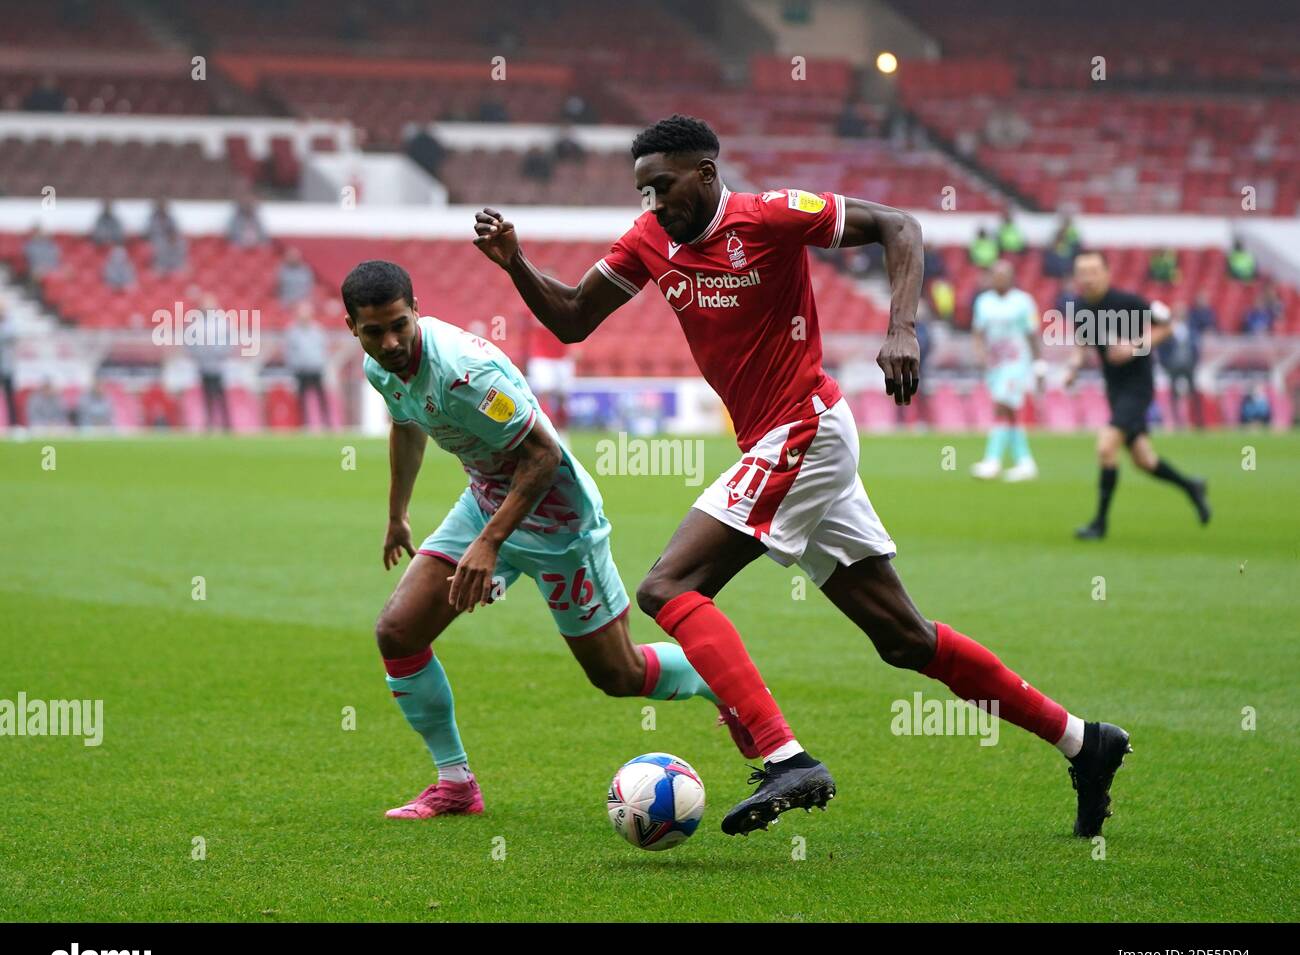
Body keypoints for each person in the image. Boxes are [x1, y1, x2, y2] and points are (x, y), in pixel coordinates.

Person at [474, 114, 1132, 839]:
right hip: (780, 440)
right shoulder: (649, 241)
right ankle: (1084, 740)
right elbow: (570, 317)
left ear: (705, 172)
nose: (653, 204)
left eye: (663, 186)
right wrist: (515, 262)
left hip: (806, 428)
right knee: (904, 638)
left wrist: (903, 326)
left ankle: (785, 755)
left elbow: (901, 225)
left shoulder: (770, 218)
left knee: (669, 587)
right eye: (642, 192)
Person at [343, 260, 752, 819]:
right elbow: (407, 426)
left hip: (560, 523)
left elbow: (543, 456)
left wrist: (487, 546)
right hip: (486, 505)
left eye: (399, 325)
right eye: (374, 331)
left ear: (417, 311)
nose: (389, 342)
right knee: (397, 633)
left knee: (618, 675)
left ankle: (716, 679)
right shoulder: (379, 367)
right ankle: (455, 783)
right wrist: (398, 514)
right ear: (353, 327)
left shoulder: (466, 372)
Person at [1064, 251, 1210, 539]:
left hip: (1138, 387)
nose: (1088, 278)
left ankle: (1099, 524)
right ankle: (1191, 487)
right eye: (1082, 272)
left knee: (1106, 447)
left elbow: (1168, 325)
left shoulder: (1128, 302)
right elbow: (1082, 342)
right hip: (1114, 389)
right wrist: (1074, 367)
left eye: (1094, 271)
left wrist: (1135, 345)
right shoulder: (1080, 307)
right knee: (1144, 460)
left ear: (1107, 273)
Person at [969, 260, 1042, 481]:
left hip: (1017, 362)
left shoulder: (1023, 302)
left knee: (1003, 405)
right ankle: (1025, 461)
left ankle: (993, 460)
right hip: (995, 364)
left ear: (1012, 277)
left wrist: (1039, 364)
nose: (999, 279)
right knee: (1008, 411)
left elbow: (1032, 334)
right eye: (996, 275)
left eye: (1004, 275)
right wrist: (980, 354)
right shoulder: (983, 302)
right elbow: (978, 332)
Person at [283, 302, 330, 428]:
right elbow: (289, 352)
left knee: (321, 398)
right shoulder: (292, 331)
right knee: (300, 400)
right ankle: (302, 424)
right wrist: (294, 367)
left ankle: (326, 424)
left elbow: (323, 349)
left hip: (316, 369)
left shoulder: (318, 330)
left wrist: (321, 364)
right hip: (301, 371)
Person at [190, 293, 232, 431]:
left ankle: (227, 424)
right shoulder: (196, 323)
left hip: (218, 365)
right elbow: (191, 343)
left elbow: (228, 343)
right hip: (204, 365)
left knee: (221, 396)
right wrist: (202, 354)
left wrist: (216, 352)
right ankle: (209, 424)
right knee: (206, 396)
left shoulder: (221, 322)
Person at [1158, 302, 1202, 429]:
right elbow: (1163, 347)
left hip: (1188, 365)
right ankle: (1177, 421)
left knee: (1194, 393)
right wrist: (1165, 364)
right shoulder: (1169, 329)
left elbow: (1195, 348)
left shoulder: (1191, 328)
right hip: (1174, 365)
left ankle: (1198, 420)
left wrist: (1195, 362)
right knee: (1174, 395)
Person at [0, 300, 18, 426]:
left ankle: (13, 424)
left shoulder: (9, 324)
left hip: (6, 367)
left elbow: (11, 335)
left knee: (10, 397)